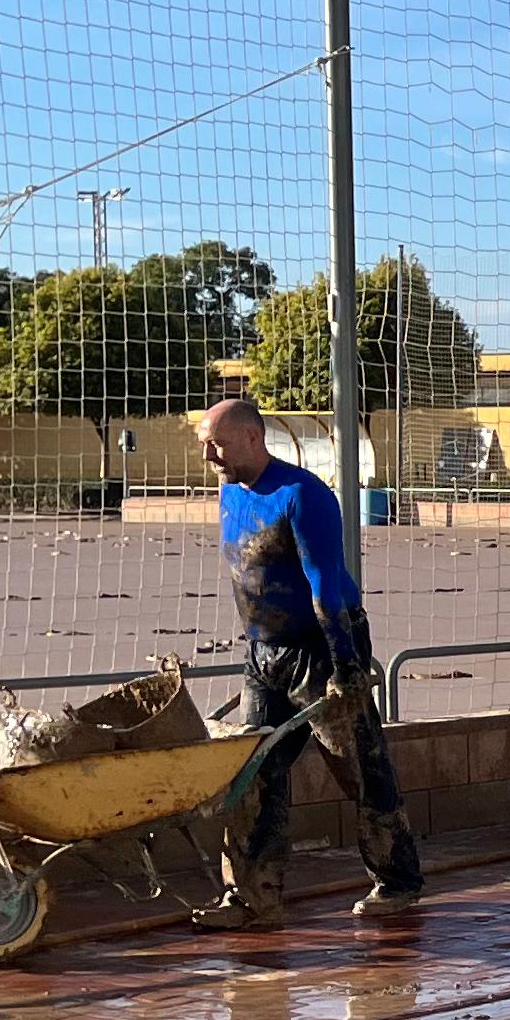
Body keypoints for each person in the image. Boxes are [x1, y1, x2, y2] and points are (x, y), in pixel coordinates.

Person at [193, 396, 419, 927]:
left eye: (217, 443)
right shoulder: (230, 491)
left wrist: (346, 665)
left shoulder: (303, 495)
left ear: (252, 437)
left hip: (322, 647)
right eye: (204, 444)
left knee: (360, 768)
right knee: (253, 773)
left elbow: (325, 585)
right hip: (264, 654)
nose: (209, 455)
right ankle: (252, 896)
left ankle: (398, 880)